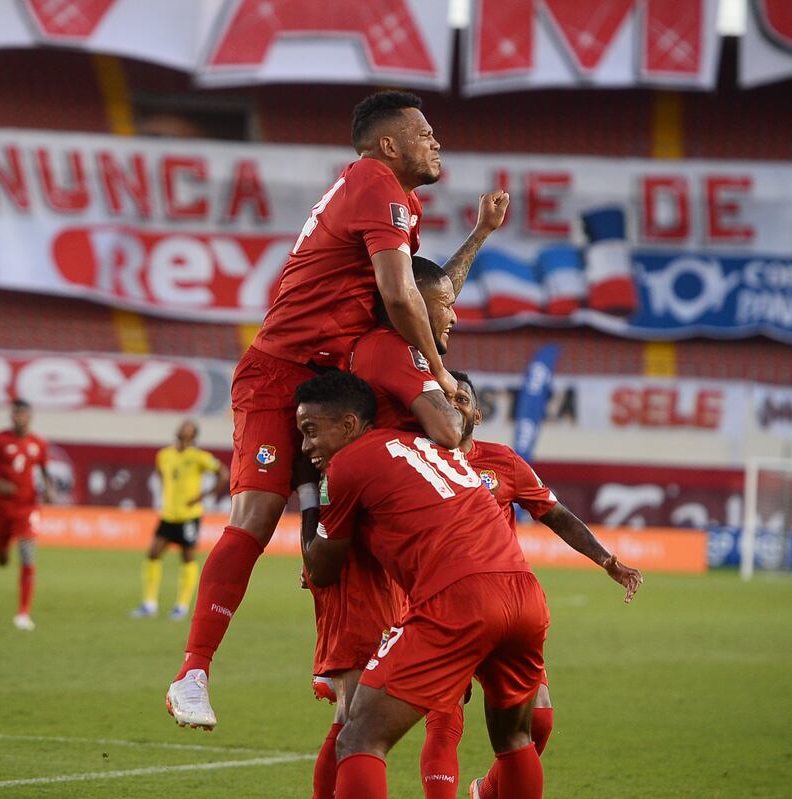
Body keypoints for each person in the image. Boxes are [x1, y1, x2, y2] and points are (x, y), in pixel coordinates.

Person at [166, 89, 509, 730]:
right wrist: (440, 374)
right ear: (388, 144)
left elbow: (430, 292)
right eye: (424, 132)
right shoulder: (378, 187)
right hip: (281, 372)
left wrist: (480, 234)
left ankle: (342, 658)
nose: (436, 142)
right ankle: (193, 673)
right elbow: (404, 296)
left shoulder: (394, 197)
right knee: (258, 513)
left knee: (341, 510)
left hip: (334, 376)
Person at [297, 371, 549, 799]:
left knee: (359, 738)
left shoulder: (348, 464)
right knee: (515, 740)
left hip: (459, 598)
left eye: (310, 431)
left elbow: (321, 569)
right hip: (524, 593)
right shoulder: (435, 445)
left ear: (348, 425)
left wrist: (306, 493)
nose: (306, 446)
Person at [441, 370, 643, 799]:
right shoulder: (419, 458)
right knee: (446, 719)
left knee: (540, 721)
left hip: (505, 604)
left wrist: (605, 559)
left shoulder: (503, 462)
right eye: (446, 398)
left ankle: (485, 790)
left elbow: (555, 513)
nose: (454, 404)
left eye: (462, 399)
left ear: (477, 412)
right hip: (445, 604)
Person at [306, 254, 463, 798]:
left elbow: (432, 292)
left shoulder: (394, 346)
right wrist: (449, 393)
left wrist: (480, 235)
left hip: (388, 544)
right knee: (356, 717)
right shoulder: (392, 350)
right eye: (446, 307)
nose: (454, 316)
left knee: (359, 718)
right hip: (365, 545)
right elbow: (447, 431)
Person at [131, 420, 228, 620]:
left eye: (188, 427)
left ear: (193, 435)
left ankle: (181, 607)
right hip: (168, 514)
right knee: (153, 553)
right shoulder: (164, 455)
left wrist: (202, 496)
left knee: (187, 558)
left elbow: (223, 474)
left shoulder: (199, 457)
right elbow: (160, 475)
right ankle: (149, 604)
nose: (183, 428)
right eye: (183, 426)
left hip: (188, 517)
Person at [0, 399, 53, 632]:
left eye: (24, 414)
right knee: (2, 559)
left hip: (27, 507)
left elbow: (45, 471)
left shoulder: (38, 444)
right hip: (1, 507)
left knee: (28, 554)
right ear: (12, 417)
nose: (20, 418)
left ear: (30, 417)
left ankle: (23, 613)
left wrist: (50, 490)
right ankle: (0, 547)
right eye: (17, 414)